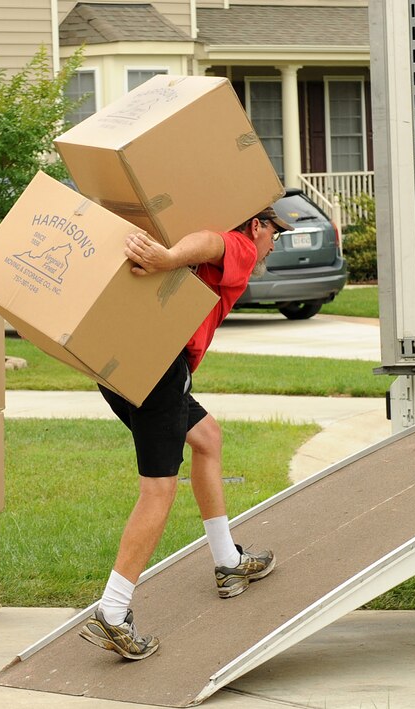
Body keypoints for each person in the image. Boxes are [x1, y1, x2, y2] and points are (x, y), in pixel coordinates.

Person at [78, 206, 292, 661]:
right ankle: (112, 614)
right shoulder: (239, 245)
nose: (276, 242)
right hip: (158, 368)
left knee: (207, 438)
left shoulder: (227, 255)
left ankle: (227, 563)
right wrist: (168, 256)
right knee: (157, 490)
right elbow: (212, 239)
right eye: (275, 231)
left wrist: (170, 256)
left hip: (121, 361)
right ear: (256, 225)